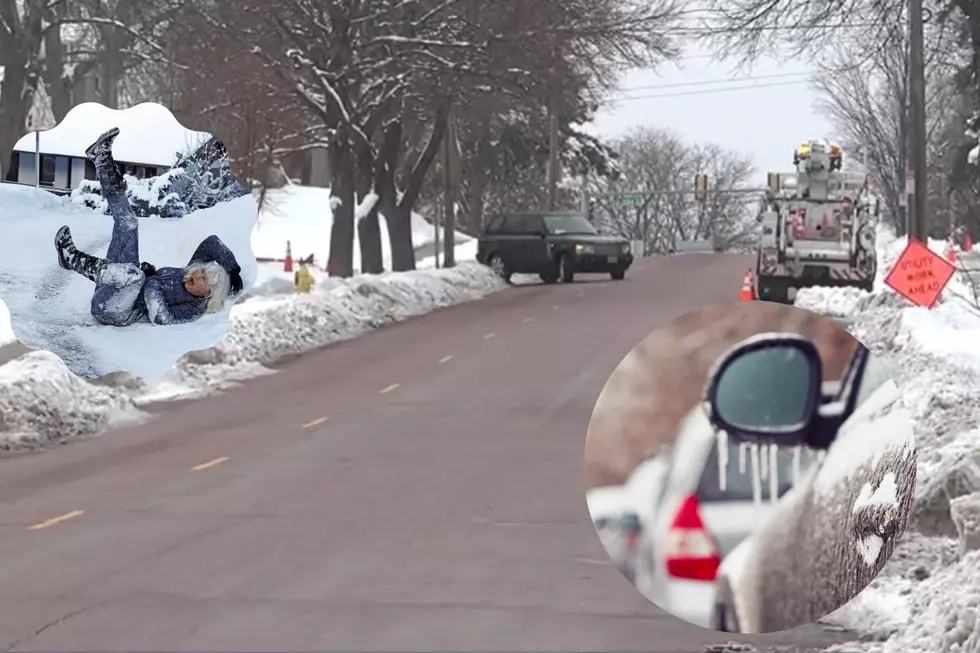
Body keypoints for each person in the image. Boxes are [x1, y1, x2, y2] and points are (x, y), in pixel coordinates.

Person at [53, 127, 244, 327]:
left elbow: (161, 317)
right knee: (129, 223)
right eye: (202, 271)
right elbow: (211, 243)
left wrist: (151, 279)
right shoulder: (190, 273)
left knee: (135, 276)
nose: (197, 274)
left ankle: (71, 258)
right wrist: (233, 270)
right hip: (116, 286)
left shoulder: (193, 308)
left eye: (203, 278)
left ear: (208, 294)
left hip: (113, 310)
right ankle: (101, 159)